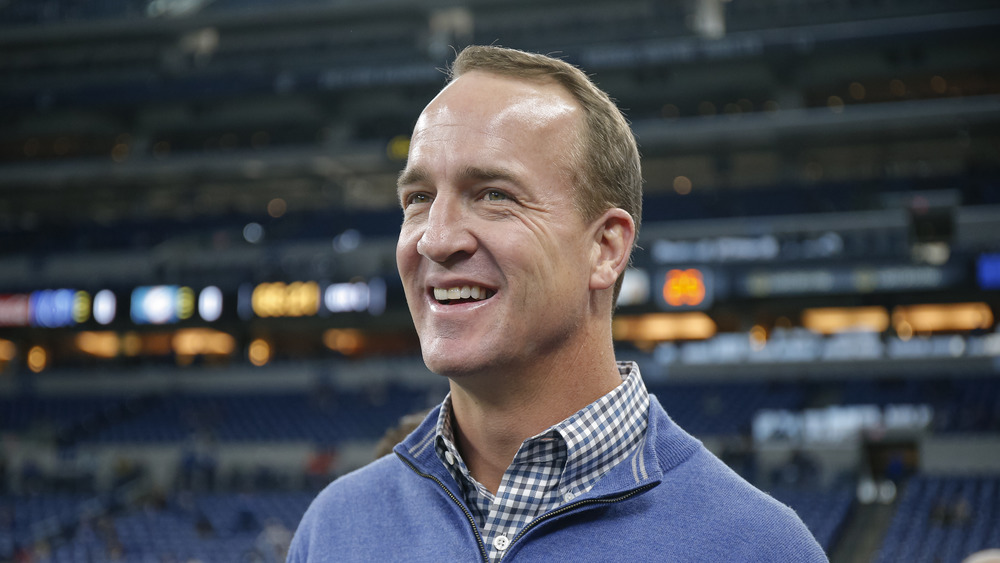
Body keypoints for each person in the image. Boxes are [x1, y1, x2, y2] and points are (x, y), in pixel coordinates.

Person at [288, 45, 827, 562]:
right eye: (419, 198)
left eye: (494, 194)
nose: (435, 238)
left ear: (605, 248)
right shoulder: (334, 527)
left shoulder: (757, 547)